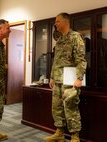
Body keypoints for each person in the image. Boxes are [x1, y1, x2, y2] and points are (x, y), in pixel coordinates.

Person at [45, 13, 87, 142]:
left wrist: (79, 78)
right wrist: (52, 77)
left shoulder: (76, 37)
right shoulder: (60, 39)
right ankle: (59, 133)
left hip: (70, 80)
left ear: (65, 22)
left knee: (70, 108)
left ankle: (75, 136)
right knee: (56, 108)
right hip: (57, 80)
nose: (55, 24)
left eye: (57, 21)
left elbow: (81, 60)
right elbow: (56, 60)